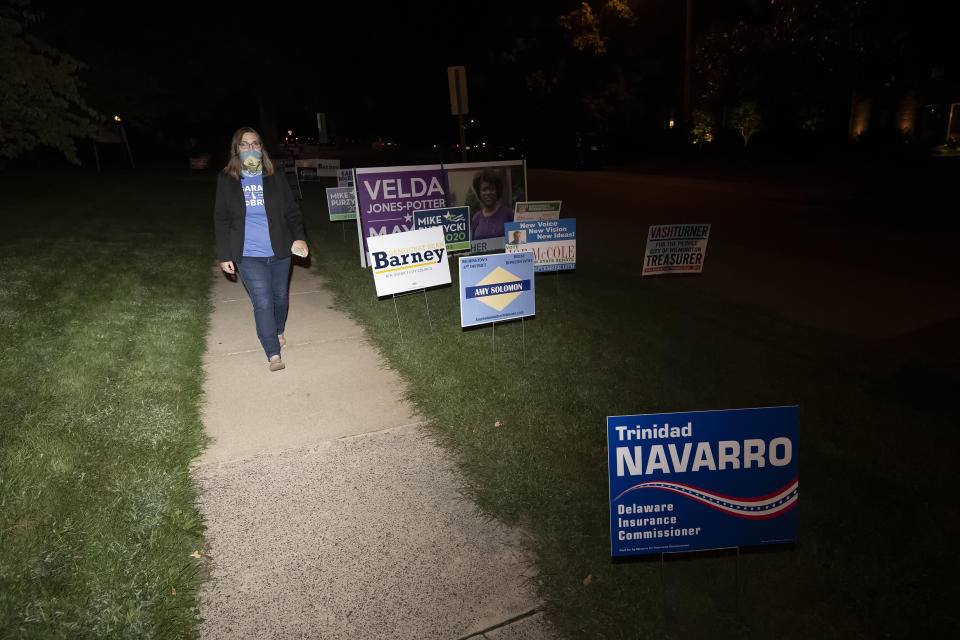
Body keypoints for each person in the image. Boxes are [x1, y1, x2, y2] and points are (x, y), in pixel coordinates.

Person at [214, 126, 309, 372]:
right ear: (237, 150)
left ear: (261, 148)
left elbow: (292, 211)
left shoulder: (274, 177)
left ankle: (277, 330)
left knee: (280, 298)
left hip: (279, 251)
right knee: (263, 301)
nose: (250, 148)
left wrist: (299, 238)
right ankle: (272, 353)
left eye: (255, 144)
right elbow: (221, 218)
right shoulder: (227, 179)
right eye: (244, 144)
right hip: (247, 254)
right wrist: (224, 254)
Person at [469, 169, 514, 241]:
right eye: (484, 189)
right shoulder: (476, 218)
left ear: (497, 191)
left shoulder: (509, 214)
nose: (488, 193)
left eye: (492, 189)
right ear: (479, 193)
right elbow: (472, 245)